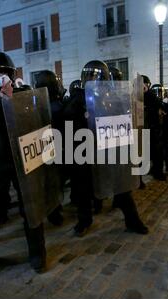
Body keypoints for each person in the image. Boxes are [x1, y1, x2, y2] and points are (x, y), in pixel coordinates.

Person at [0, 52, 46, 275]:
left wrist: (21, 99)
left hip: (22, 157)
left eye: (6, 72)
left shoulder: (21, 93)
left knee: (30, 206)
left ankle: (37, 254)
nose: (2, 76)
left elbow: (36, 118)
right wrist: (0, 100)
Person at [64, 60, 148, 237]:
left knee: (121, 185)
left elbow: (122, 117)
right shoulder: (77, 100)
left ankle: (132, 220)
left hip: (109, 148)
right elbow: (70, 122)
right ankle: (84, 221)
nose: (93, 80)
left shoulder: (112, 97)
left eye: (97, 77)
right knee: (84, 189)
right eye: (89, 76)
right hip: (85, 150)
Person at [33, 70, 66, 226]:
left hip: (46, 150)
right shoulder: (58, 105)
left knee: (50, 183)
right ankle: (55, 212)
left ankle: (54, 211)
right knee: (54, 182)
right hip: (57, 149)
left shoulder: (37, 106)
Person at [144, 79, 166, 180]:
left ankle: (157, 171)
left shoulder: (150, 95)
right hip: (147, 128)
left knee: (156, 152)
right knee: (153, 152)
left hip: (153, 128)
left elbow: (161, 106)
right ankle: (156, 171)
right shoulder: (143, 96)